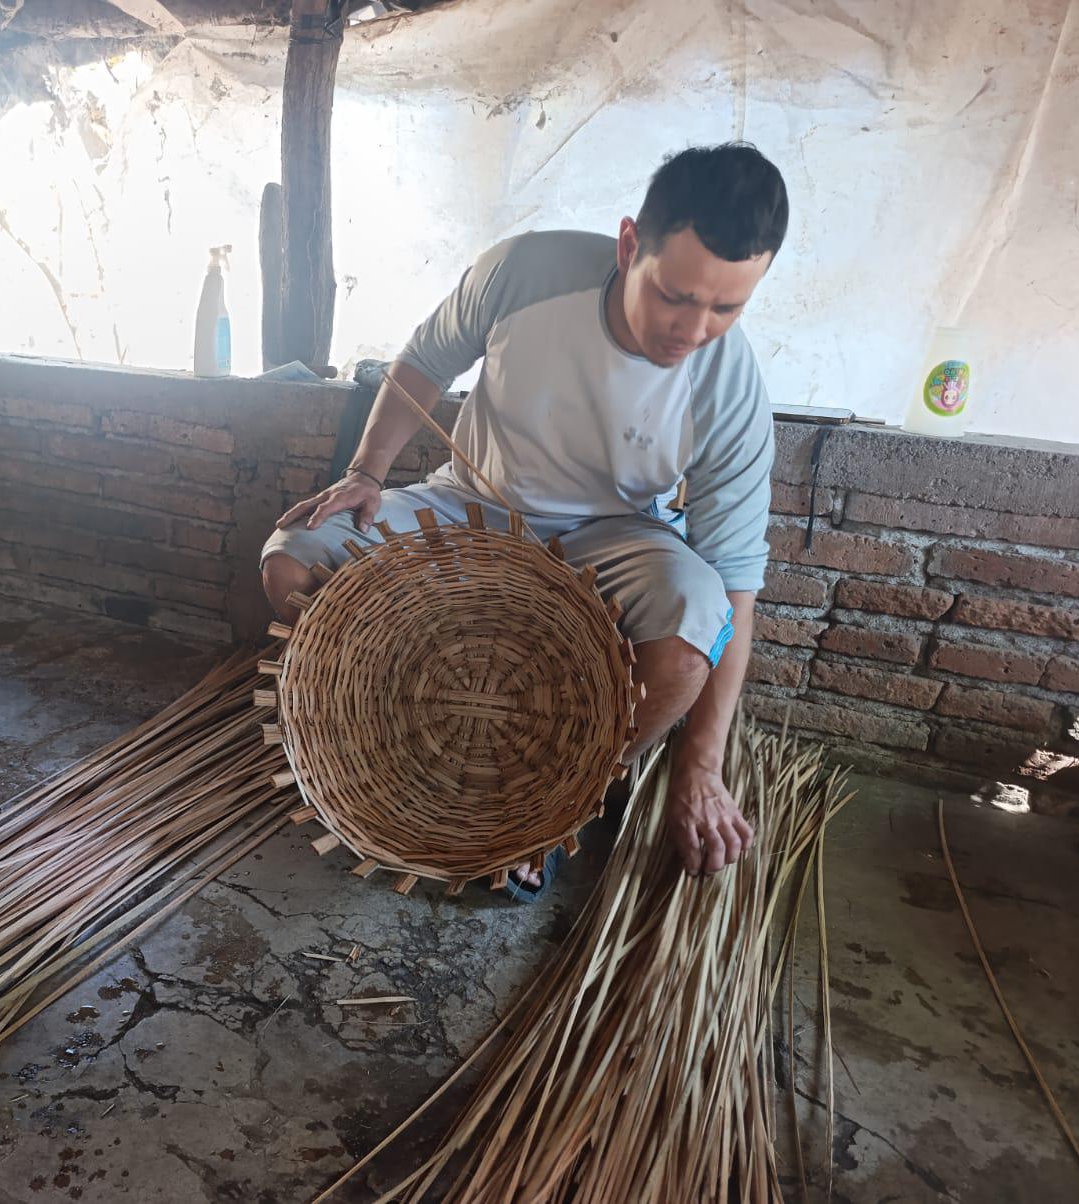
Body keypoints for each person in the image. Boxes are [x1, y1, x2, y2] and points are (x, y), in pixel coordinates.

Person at [260, 143, 787, 892]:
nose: (693, 329)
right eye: (675, 294)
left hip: (614, 540)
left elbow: (735, 582)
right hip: (470, 503)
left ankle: (553, 802)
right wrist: (366, 472)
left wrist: (701, 768)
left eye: (726, 308)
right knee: (292, 558)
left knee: (693, 625)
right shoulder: (526, 273)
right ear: (630, 244)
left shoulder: (730, 389)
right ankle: (407, 730)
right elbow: (425, 360)